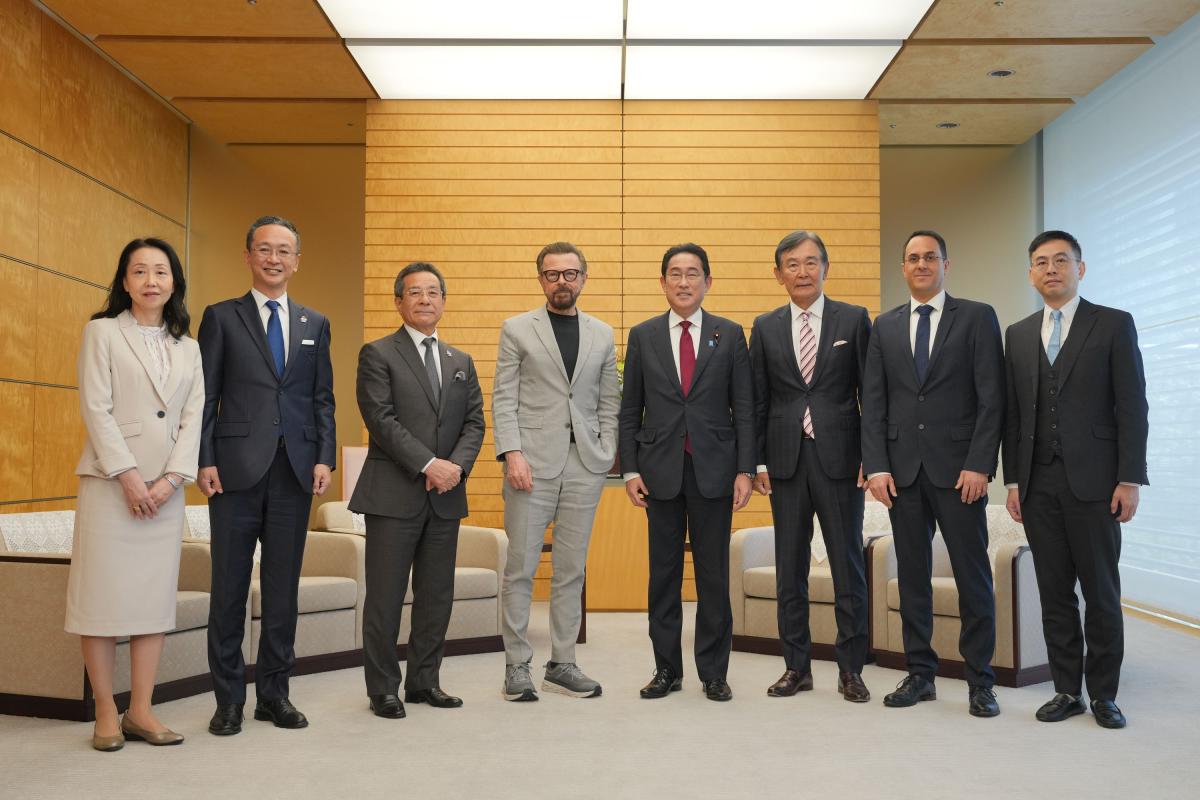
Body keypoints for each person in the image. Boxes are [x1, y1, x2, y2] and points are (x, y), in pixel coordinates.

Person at [1003, 230, 1148, 730]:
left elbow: (1132, 407)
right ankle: (1068, 690)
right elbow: (1013, 415)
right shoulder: (1018, 334)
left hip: (1097, 484)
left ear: (1080, 269)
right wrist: (1013, 482)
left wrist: (1129, 479)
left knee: (1101, 592)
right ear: (1030, 274)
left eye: (1061, 261)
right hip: (1038, 484)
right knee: (1054, 592)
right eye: (1040, 262)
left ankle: (1104, 693)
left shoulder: (1112, 325)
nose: (1051, 269)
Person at [197, 215, 336, 735]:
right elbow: (205, 397)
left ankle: (274, 695)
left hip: (295, 471)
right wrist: (203, 459)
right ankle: (228, 699)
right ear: (249, 256)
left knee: (283, 590)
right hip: (232, 472)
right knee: (228, 588)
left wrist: (325, 457)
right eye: (264, 249)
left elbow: (322, 398)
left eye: (284, 250)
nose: (274, 258)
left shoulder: (314, 324)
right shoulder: (220, 317)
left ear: (297, 260)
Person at [65, 238, 203, 751]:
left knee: (151, 602)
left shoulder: (189, 345)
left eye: (160, 272)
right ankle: (106, 708)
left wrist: (170, 481)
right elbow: (95, 408)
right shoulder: (101, 332)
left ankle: (141, 710)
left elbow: (193, 417)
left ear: (174, 283)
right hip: (109, 485)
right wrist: (127, 476)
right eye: (139, 271)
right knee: (98, 600)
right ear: (124, 281)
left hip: (165, 492)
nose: (150, 280)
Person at [862, 230, 1004, 717]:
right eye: (912, 258)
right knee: (913, 577)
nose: (921, 264)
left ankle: (980, 681)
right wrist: (876, 466)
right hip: (902, 476)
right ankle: (920, 674)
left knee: (973, 576)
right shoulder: (884, 326)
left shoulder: (978, 317)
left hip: (961, 473)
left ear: (946, 264)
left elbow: (992, 399)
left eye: (930, 257)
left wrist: (980, 463)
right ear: (902, 268)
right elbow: (874, 402)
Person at [619, 243, 755, 702]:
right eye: (674, 274)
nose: (683, 282)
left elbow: (746, 409)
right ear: (662, 283)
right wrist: (630, 469)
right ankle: (666, 670)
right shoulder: (643, 335)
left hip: (715, 470)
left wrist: (745, 470)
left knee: (714, 576)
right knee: (664, 575)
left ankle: (714, 672)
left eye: (692, 274)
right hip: (659, 472)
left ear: (708, 282)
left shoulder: (730, 334)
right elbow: (629, 410)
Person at [350, 262, 484, 719]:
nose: (425, 299)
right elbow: (380, 420)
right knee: (386, 596)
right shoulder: (378, 353)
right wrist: (428, 464)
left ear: (443, 301)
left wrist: (454, 469)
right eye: (415, 292)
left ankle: (425, 681)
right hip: (392, 496)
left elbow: (474, 422)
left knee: (436, 596)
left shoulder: (460, 361)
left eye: (433, 292)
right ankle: (383, 688)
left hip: (445, 497)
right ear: (399, 302)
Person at [492, 242, 620, 701]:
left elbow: (609, 400)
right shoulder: (517, 330)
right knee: (522, 569)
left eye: (570, 274)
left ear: (584, 277)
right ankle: (517, 666)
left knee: (570, 570)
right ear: (541, 279)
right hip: (530, 465)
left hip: (585, 465)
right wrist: (512, 453)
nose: (561, 281)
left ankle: (562, 663)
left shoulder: (602, 334)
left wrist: (606, 452)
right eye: (552, 274)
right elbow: (504, 397)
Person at [749, 230, 873, 702]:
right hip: (784, 461)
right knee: (790, 568)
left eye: (810, 262)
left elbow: (872, 396)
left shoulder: (855, 319)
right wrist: (756, 460)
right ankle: (796, 666)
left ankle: (851, 669)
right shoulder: (764, 326)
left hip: (841, 461)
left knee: (847, 567)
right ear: (778, 274)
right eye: (792, 265)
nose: (802, 272)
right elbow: (758, 401)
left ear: (826, 267)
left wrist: (873, 460)